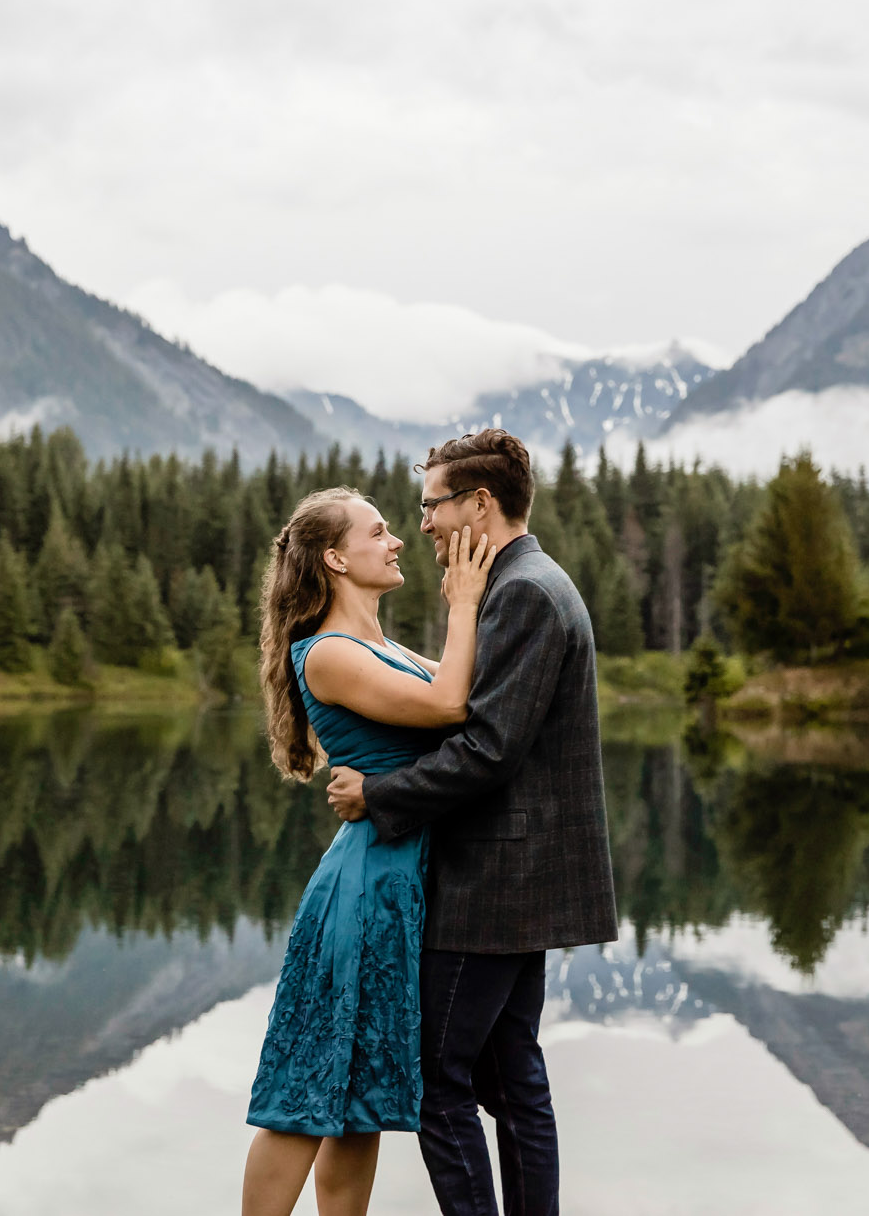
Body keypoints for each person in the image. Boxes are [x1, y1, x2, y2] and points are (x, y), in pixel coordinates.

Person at [327, 428, 618, 1216]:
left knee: (436, 1080)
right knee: (510, 1074)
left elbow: (487, 748)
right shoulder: (528, 581)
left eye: (433, 504)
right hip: (519, 878)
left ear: (479, 504)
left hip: (495, 883)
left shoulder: (522, 592)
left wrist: (377, 796)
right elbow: (476, 711)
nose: (420, 523)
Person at [243, 485, 499, 1216]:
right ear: (335, 558)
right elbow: (450, 706)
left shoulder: (384, 647)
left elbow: (471, 704)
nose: (396, 541)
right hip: (364, 887)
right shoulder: (326, 653)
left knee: (359, 1100)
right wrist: (463, 601)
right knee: (304, 1089)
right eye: (379, 531)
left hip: (405, 881)